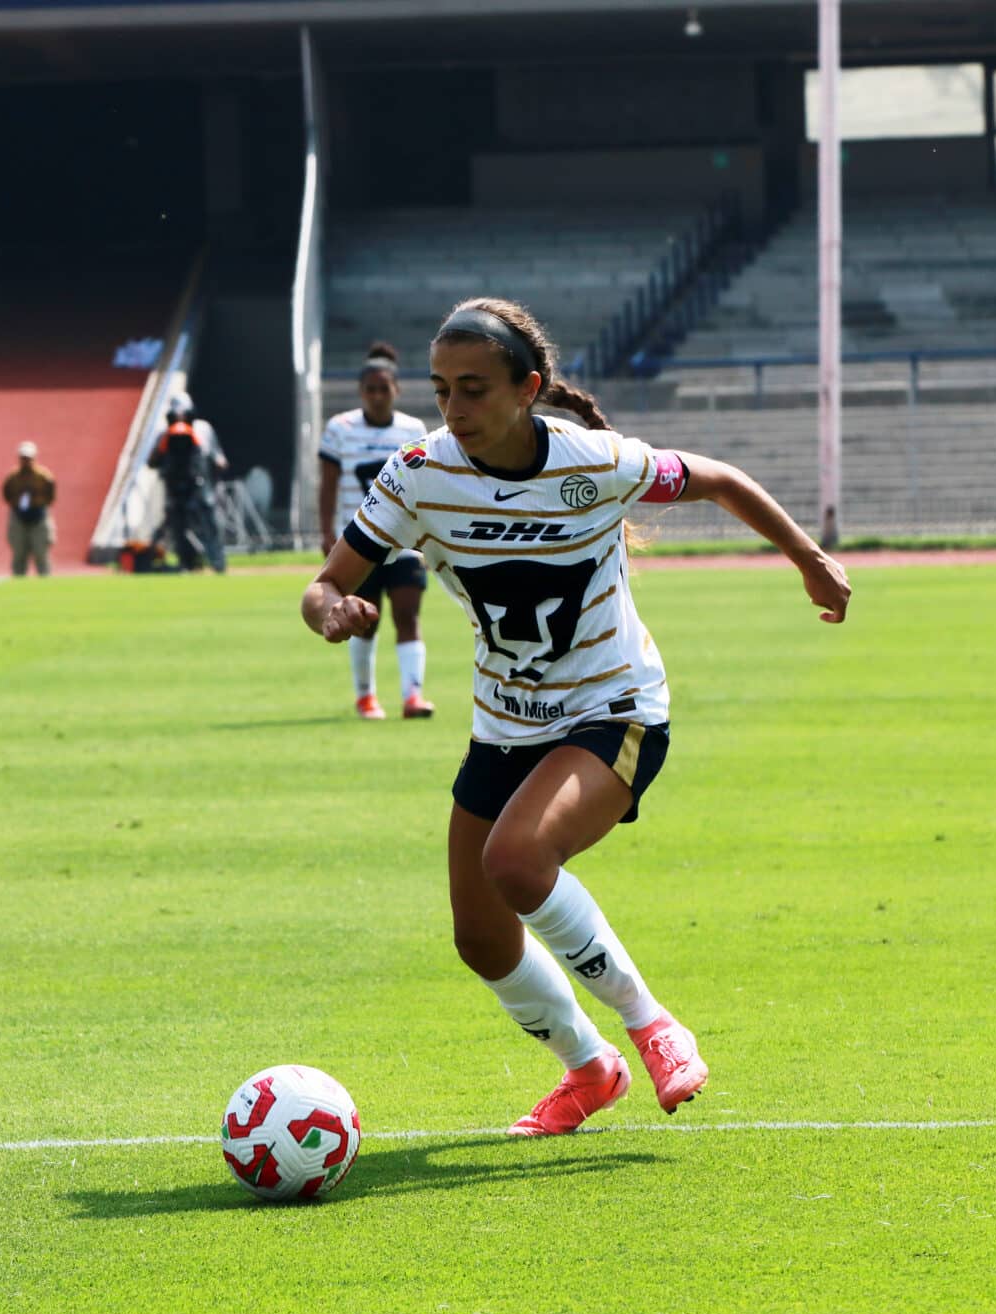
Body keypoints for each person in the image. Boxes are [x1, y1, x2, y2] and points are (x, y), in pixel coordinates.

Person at [300, 298, 852, 1136]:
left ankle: (653, 1024)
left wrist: (810, 562)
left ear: (528, 389)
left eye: (475, 390)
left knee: (518, 860)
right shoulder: (418, 472)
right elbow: (324, 582)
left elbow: (723, 480)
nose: (453, 409)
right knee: (481, 939)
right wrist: (333, 608)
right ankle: (591, 1069)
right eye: (443, 389)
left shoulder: (595, 462)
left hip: (613, 706)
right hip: (505, 724)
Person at [319, 342, 434, 720]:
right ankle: (366, 696)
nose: (377, 396)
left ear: (396, 390)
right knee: (363, 621)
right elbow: (328, 483)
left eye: (384, 388)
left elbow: (423, 488)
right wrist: (326, 533)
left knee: (408, 614)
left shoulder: (412, 429)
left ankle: (412, 696)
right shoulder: (340, 428)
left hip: (403, 543)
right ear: (360, 392)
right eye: (370, 389)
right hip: (359, 544)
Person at [149, 394, 228, 574]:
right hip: (175, 488)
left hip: (200, 486)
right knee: (179, 528)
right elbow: (153, 461)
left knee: (209, 524)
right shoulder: (164, 433)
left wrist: (216, 466)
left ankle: (217, 563)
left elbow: (217, 457)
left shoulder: (203, 429)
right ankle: (187, 563)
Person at [3, 440, 58, 577]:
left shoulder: (43, 476)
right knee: (19, 555)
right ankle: (18, 584)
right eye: (23, 458)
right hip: (19, 517)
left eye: (28, 458)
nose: (26, 461)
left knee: (41, 554)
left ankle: (45, 585)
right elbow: (7, 495)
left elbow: (50, 496)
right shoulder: (12, 477)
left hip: (38, 516)